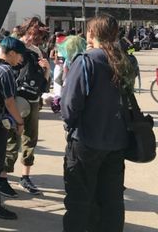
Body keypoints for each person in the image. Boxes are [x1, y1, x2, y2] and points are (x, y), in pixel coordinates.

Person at [61, 14, 135, 232]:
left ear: (91, 33)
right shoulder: (125, 61)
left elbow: (70, 106)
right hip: (117, 142)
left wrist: (71, 124)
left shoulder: (86, 60)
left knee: (79, 200)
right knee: (111, 200)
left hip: (86, 140)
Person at [0, 17, 51, 197]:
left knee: (31, 139)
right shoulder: (13, 48)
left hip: (33, 100)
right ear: (24, 31)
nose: (30, 39)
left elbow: (44, 85)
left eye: (34, 36)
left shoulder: (38, 52)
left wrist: (47, 70)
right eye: (29, 34)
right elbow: (4, 71)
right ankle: (3, 178)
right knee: (12, 138)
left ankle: (25, 176)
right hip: (16, 100)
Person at [0, 37, 27, 220]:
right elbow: (9, 101)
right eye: (19, 56)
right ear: (10, 53)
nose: (20, 60)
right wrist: (20, 122)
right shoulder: (5, 70)